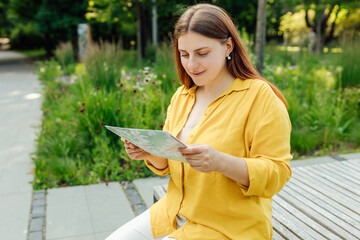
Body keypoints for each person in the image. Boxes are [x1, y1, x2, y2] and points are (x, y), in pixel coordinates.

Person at [106, 3, 292, 240]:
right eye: (184, 55)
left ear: (228, 46)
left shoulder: (260, 97)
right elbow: (170, 161)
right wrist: (149, 152)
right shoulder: (182, 96)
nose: (191, 64)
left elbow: (277, 173)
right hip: (173, 211)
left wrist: (220, 161)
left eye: (202, 53)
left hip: (228, 226)